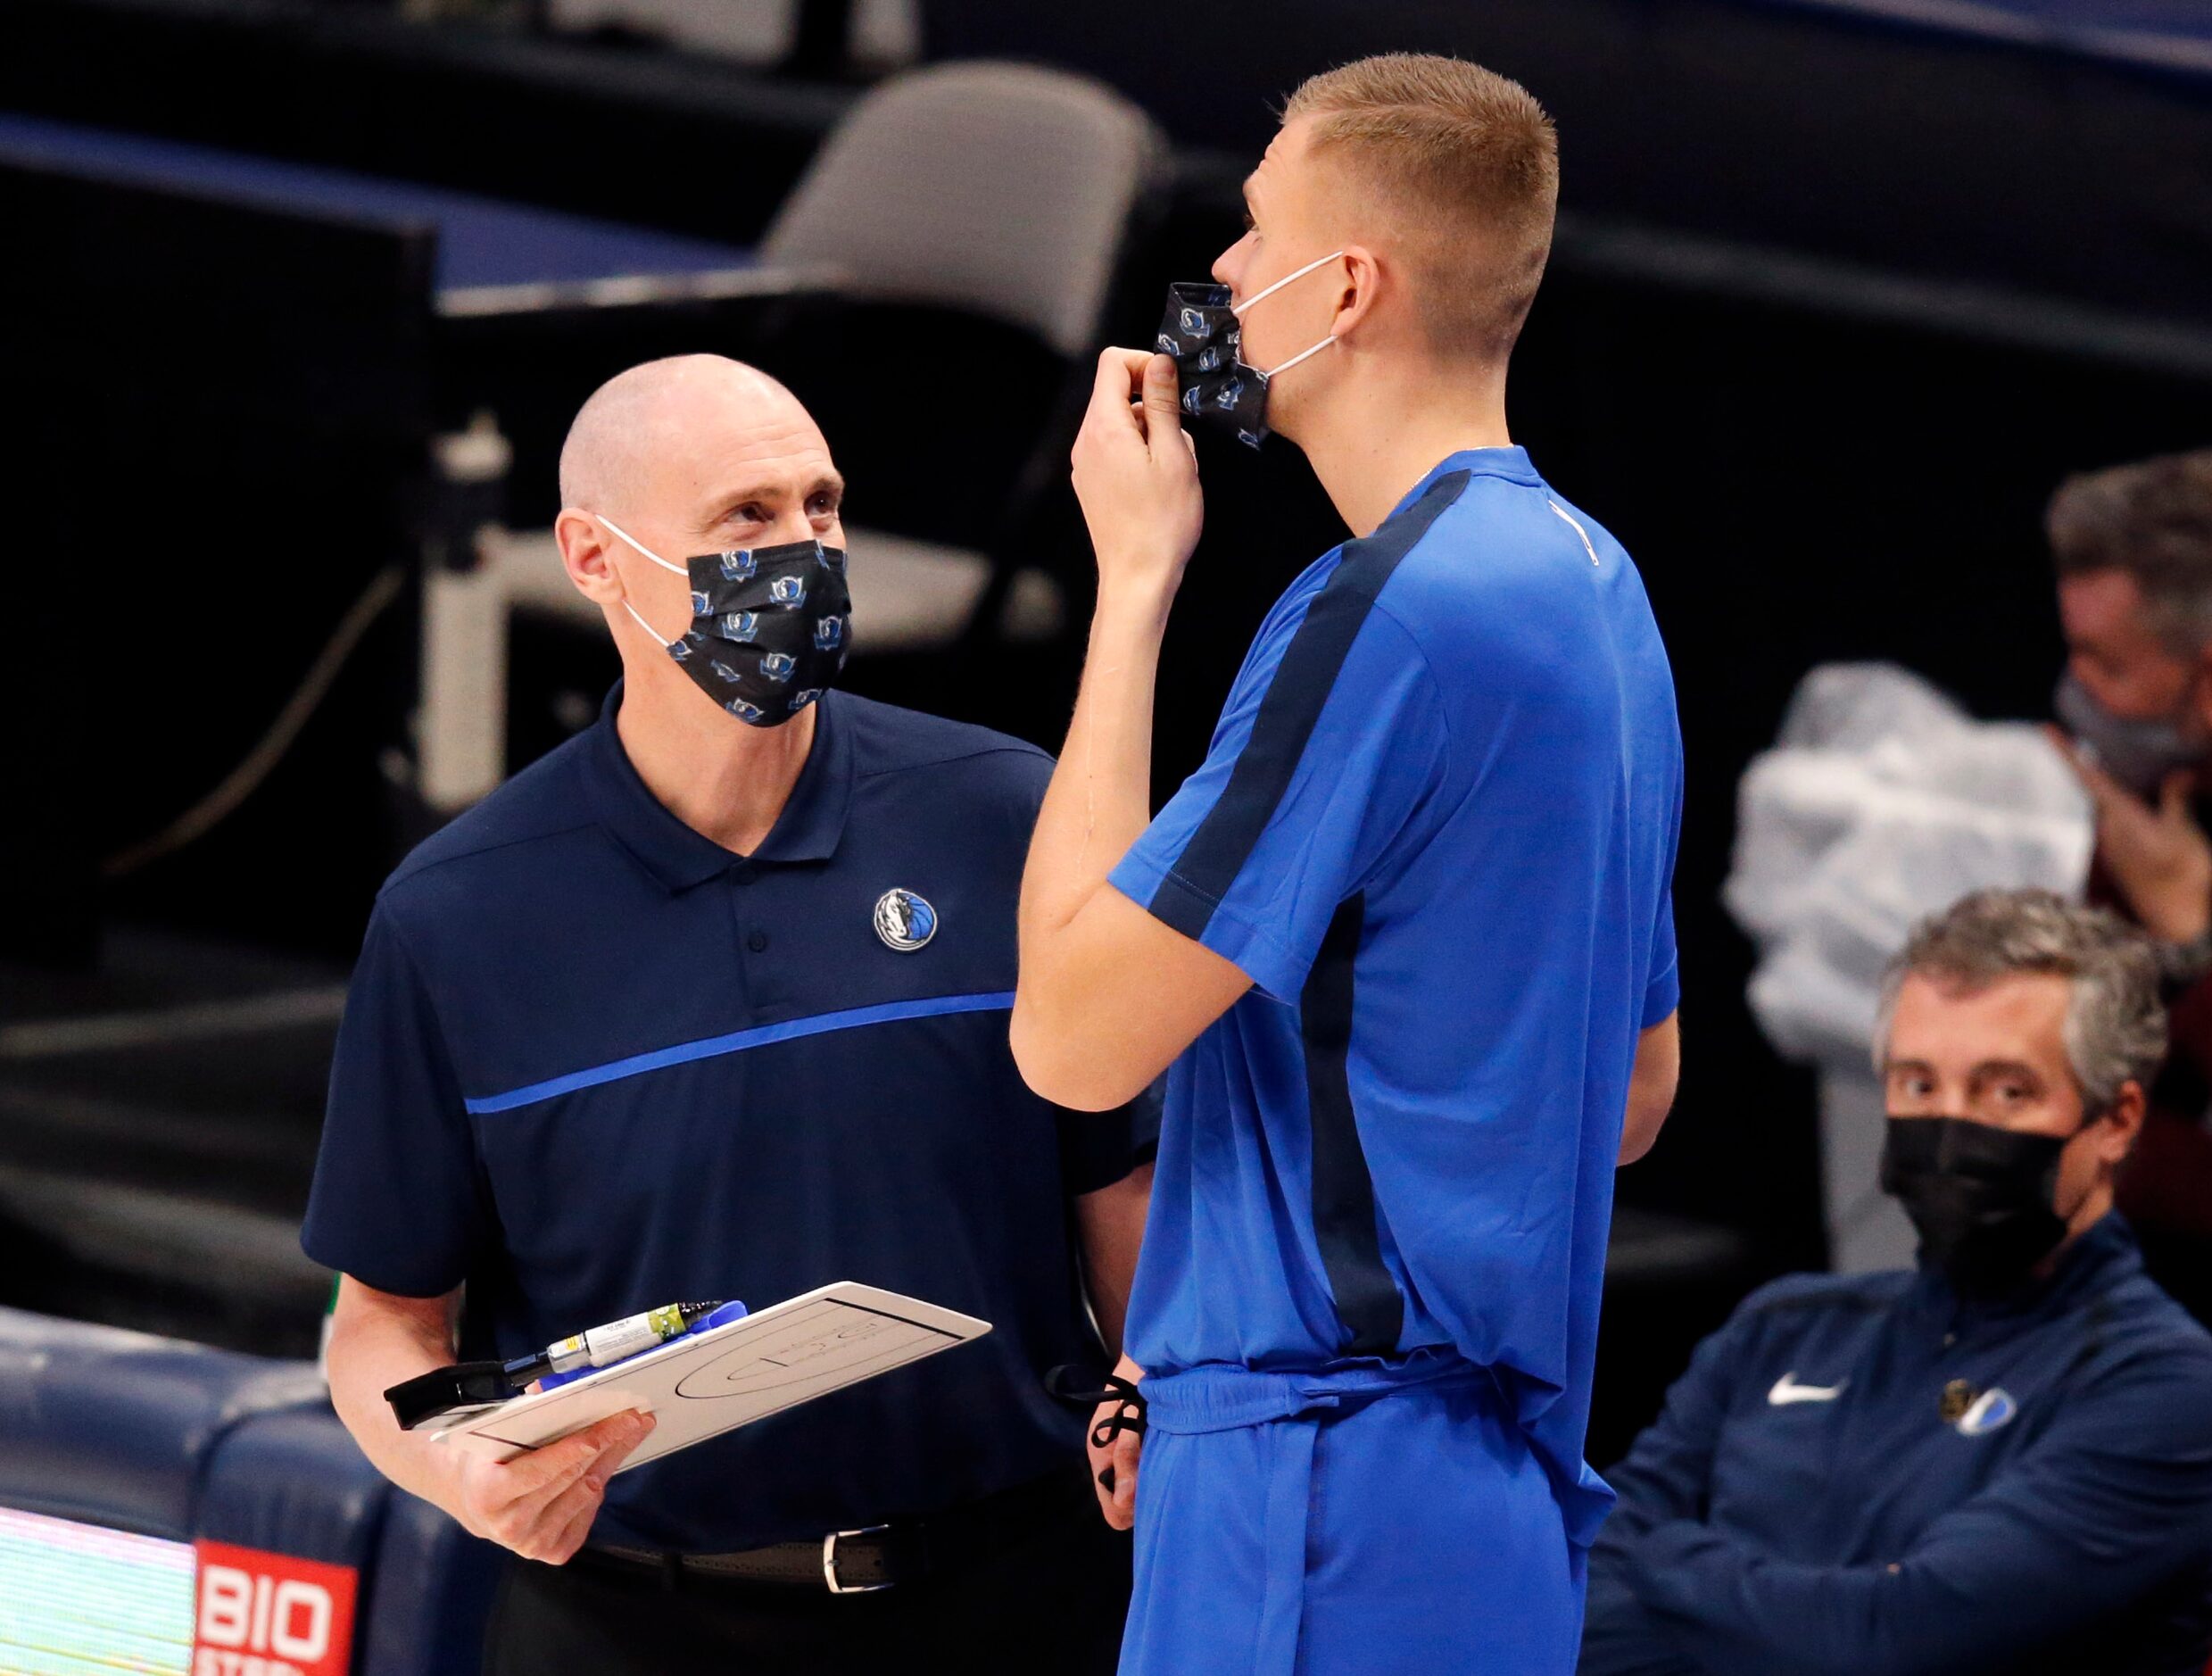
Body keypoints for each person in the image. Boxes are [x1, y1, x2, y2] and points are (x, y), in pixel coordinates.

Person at [302, 355, 1156, 1674]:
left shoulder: (999, 812)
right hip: (628, 1617)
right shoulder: (456, 915)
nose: (804, 548)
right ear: (595, 557)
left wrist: (1169, 1383)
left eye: (820, 506)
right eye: (746, 517)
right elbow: (386, 1321)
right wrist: (454, 1464)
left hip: (1009, 1591)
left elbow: (1125, 1195)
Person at [1010, 53, 1684, 1676]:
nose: (1224, 276)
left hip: (1316, 1479)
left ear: (1351, 282)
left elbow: (1068, 1033)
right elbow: (1633, 1092)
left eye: (1251, 233)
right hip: (1492, 1487)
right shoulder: (1599, 588)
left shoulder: (1382, 610)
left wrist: (1131, 587)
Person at [1581, 888, 2212, 1676]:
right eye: (1918, 1085)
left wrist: (1666, 1560)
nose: (1948, 1130)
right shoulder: (1781, 1327)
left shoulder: (2166, 1390)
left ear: (2115, 1120)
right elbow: (1577, 1591)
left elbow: (1892, 1647)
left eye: (2003, 1090)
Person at [2046, 447, 2212, 1321]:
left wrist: (2193, 935)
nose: (2079, 689)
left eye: (2104, 662)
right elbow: (2104, 1118)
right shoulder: (2153, 808)